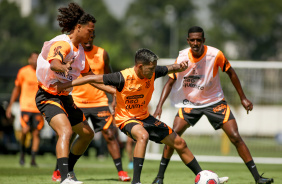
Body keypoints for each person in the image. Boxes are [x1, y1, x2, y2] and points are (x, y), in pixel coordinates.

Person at [54, 48, 229, 184]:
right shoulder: (122, 77)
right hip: (126, 119)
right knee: (142, 136)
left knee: (179, 142)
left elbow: (169, 68)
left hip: (145, 117)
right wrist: (65, 85)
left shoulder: (152, 72)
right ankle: (136, 181)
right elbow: (90, 79)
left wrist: (180, 66)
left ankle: (202, 174)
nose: (154, 71)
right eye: (150, 68)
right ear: (139, 67)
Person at [151, 26, 274, 184]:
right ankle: (159, 178)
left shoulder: (215, 54)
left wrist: (243, 98)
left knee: (235, 137)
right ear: (188, 41)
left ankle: (258, 178)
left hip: (215, 101)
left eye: (198, 40)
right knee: (173, 137)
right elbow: (170, 82)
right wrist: (159, 106)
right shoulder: (182, 57)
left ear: (204, 40)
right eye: (192, 40)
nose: (195, 43)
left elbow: (231, 72)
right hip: (190, 103)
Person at [35, 3, 115, 184]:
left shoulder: (80, 53)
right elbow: (55, 63)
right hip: (48, 96)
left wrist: (114, 91)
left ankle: (68, 170)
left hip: (65, 97)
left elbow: (91, 77)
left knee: (87, 134)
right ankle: (64, 178)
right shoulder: (64, 44)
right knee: (66, 130)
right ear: (78, 27)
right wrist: (63, 66)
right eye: (89, 30)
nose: (91, 35)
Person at [52, 31, 131, 182]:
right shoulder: (73, 52)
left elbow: (109, 76)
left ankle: (121, 171)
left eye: (91, 37)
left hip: (99, 101)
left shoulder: (102, 53)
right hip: (76, 101)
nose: (88, 40)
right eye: (86, 37)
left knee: (110, 135)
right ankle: (58, 171)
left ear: (93, 37)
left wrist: (114, 96)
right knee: (69, 134)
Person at [6, 52, 44, 167]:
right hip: (26, 107)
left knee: (36, 133)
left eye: (37, 58)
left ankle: (33, 159)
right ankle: (22, 153)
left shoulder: (42, 72)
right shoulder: (23, 71)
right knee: (25, 130)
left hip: (38, 108)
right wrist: (10, 105)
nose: (35, 60)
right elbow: (16, 89)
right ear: (29, 60)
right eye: (33, 58)